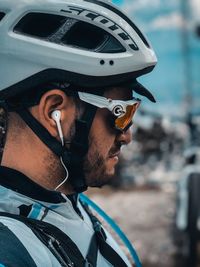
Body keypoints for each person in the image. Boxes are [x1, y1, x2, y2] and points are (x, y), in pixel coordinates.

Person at [0, 0, 157, 266]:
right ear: (54, 111)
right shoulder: (10, 251)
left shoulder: (73, 209)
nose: (126, 135)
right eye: (121, 113)